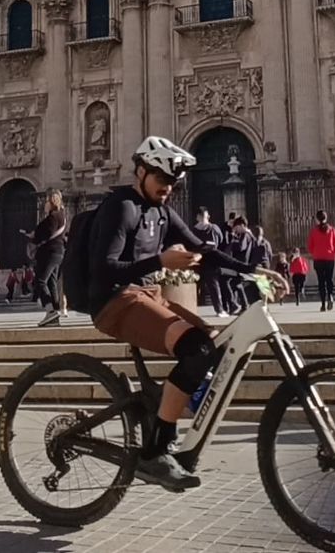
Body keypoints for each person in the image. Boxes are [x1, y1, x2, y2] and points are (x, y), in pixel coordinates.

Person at [85, 135, 271, 492]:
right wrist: (160, 261)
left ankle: (164, 406)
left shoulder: (162, 212)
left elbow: (205, 250)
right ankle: (156, 451)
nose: (167, 187)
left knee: (215, 344)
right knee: (196, 349)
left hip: (148, 295)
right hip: (115, 300)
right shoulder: (121, 207)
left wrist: (254, 271)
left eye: (172, 181)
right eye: (162, 179)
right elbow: (104, 268)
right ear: (141, 172)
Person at [28, 189, 69, 326]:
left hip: (49, 252)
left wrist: (34, 236)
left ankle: (50, 310)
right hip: (58, 252)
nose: (44, 204)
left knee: (40, 281)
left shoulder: (53, 217)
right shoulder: (62, 216)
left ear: (51, 202)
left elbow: (48, 234)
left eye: (46, 201)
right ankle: (54, 314)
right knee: (52, 282)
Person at [190, 208, 234, 317]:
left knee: (205, 285)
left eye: (205, 217)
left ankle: (216, 309)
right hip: (207, 260)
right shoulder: (210, 228)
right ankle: (218, 310)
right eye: (204, 216)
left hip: (201, 260)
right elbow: (221, 241)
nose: (205, 219)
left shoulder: (196, 230)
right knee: (211, 285)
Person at [308, 210, 335, 312]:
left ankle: (323, 303)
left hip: (318, 259)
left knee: (321, 281)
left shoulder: (314, 231)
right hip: (329, 258)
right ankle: (330, 295)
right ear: (326, 218)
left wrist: (315, 252)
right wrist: (332, 253)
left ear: (317, 219)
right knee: (329, 279)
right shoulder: (332, 230)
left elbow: (310, 246)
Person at [227, 216, 260, 308]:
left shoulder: (245, 235)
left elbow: (241, 247)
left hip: (242, 263)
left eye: (237, 228)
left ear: (242, 225)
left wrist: (233, 242)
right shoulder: (251, 236)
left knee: (234, 283)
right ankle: (243, 304)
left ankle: (241, 304)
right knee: (237, 283)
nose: (236, 230)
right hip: (247, 263)